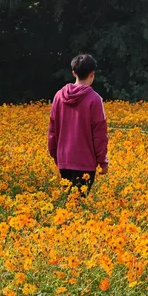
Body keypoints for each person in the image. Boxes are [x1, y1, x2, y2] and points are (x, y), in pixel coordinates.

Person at [47, 53, 109, 194]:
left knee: (69, 205)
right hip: (85, 163)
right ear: (92, 74)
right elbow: (100, 134)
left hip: (63, 160)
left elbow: (52, 130)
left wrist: (55, 154)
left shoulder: (58, 96)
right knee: (79, 207)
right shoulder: (95, 99)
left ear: (74, 73)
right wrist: (103, 162)